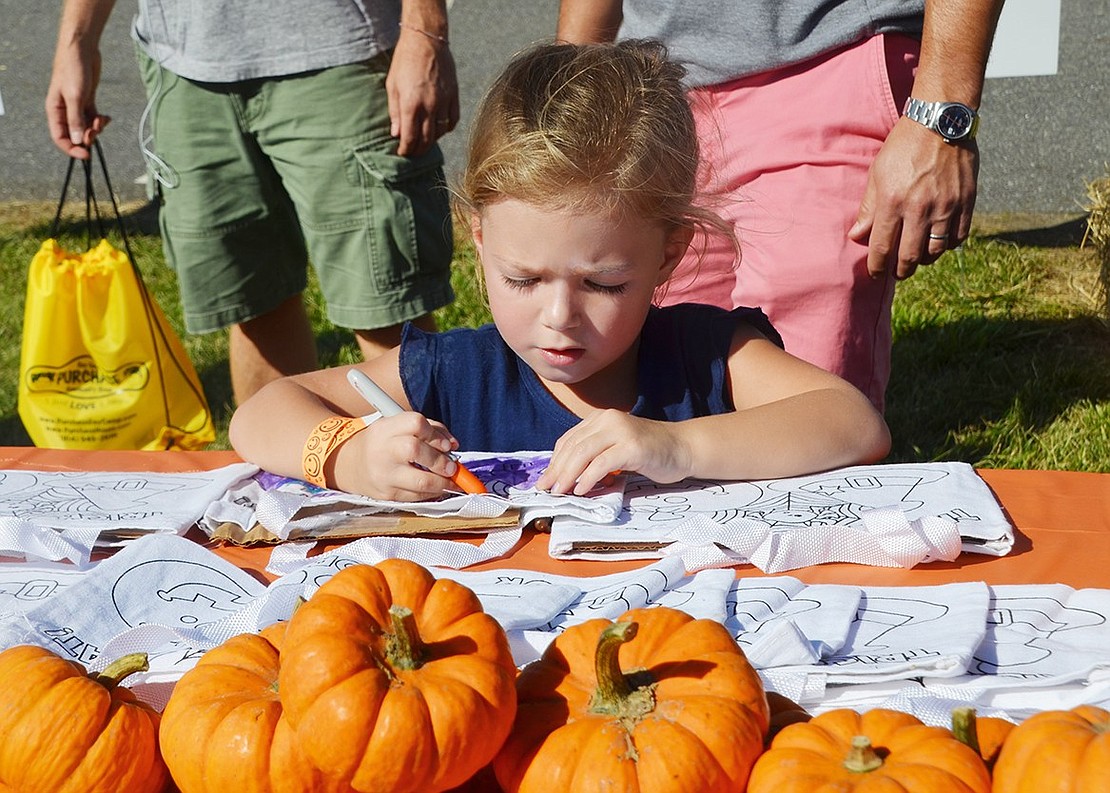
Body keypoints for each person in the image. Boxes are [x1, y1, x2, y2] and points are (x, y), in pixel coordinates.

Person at [229, 40, 891, 502]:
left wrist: (676, 447)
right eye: (524, 279)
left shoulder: (705, 355)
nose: (558, 317)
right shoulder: (457, 373)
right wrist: (345, 455)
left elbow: (854, 424)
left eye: (602, 284)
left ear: (669, 253)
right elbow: (259, 415)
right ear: (480, 239)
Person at [557, 1, 1005, 412]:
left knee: (805, 411)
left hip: (829, 57)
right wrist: (565, 94)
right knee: (660, 372)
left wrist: (941, 117)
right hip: (660, 87)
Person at [46, 0, 458, 404]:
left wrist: (424, 30)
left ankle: (434, 468)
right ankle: (277, 471)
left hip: (340, 53)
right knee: (254, 301)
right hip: (185, 66)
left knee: (387, 307)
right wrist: (77, 41)